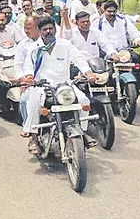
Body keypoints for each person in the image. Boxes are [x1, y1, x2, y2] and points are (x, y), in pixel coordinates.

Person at [20, 17, 98, 153]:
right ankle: (33, 137)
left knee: (84, 100)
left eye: (51, 28)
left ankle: (82, 132)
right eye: (45, 29)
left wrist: (88, 73)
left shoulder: (65, 45)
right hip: (41, 86)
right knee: (33, 102)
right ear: (39, 31)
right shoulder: (34, 48)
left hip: (64, 85)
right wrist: (28, 76)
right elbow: (28, 65)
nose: (48, 31)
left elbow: (78, 58)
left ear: (55, 30)